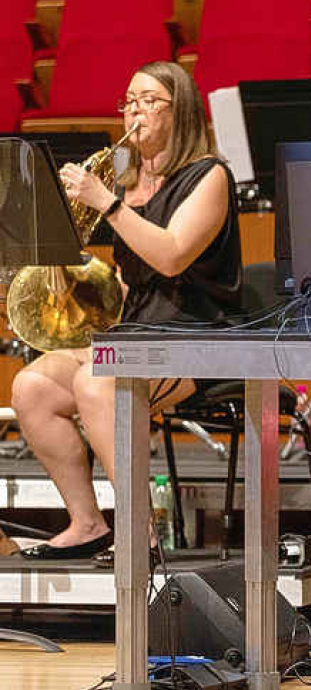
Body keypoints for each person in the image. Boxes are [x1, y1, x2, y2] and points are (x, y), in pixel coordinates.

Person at [14, 61, 242, 564]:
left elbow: (172, 254)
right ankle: (88, 523)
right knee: (31, 386)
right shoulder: (128, 178)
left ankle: (144, 535)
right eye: (128, 101)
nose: (133, 112)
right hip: (135, 332)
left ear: (179, 109)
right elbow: (132, 275)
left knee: (97, 383)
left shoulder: (209, 176)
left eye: (148, 101)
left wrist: (109, 205)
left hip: (194, 337)